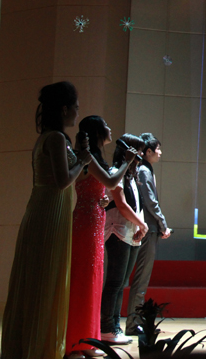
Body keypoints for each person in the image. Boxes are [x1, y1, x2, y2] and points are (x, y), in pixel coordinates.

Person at [1, 81, 92, 359]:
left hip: (45, 210)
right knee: (46, 281)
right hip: (49, 214)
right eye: (75, 107)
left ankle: (29, 345)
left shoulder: (48, 138)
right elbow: (63, 181)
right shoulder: (55, 139)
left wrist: (80, 158)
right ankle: (40, 348)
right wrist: (83, 160)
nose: (78, 112)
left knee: (39, 279)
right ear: (64, 109)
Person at [65, 116, 137, 358]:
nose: (110, 128)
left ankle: (88, 340)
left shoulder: (93, 158)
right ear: (97, 132)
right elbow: (112, 182)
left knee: (93, 280)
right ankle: (76, 342)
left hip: (95, 219)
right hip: (86, 223)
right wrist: (127, 162)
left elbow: (98, 188)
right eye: (105, 125)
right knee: (84, 281)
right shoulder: (88, 157)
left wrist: (102, 199)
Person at [100, 134, 148, 345]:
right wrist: (142, 224)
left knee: (121, 283)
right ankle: (106, 328)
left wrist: (140, 227)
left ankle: (114, 326)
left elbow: (135, 205)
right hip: (117, 231)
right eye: (138, 150)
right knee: (114, 282)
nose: (141, 154)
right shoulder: (115, 172)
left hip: (131, 233)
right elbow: (121, 205)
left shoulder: (131, 175)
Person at [125, 133, 172, 336]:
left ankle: (136, 321)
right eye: (158, 149)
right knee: (141, 279)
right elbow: (151, 202)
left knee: (141, 279)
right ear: (148, 151)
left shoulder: (145, 169)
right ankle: (133, 324)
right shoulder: (144, 171)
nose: (160, 152)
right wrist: (163, 225)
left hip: (149, 229)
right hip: (148, 229)